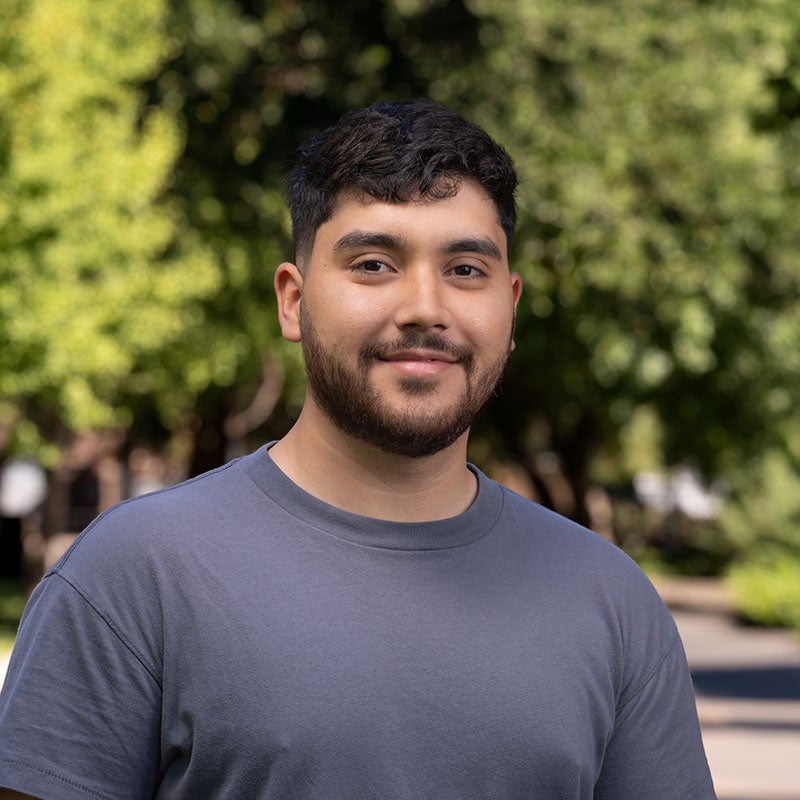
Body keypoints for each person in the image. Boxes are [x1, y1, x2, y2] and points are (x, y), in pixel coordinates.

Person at [0, 99, 716, 799]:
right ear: (292, 299)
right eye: (374, 264)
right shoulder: (134, 577)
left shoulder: (611, 601)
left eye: (467, 269)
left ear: (511, 306)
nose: (424, 309)